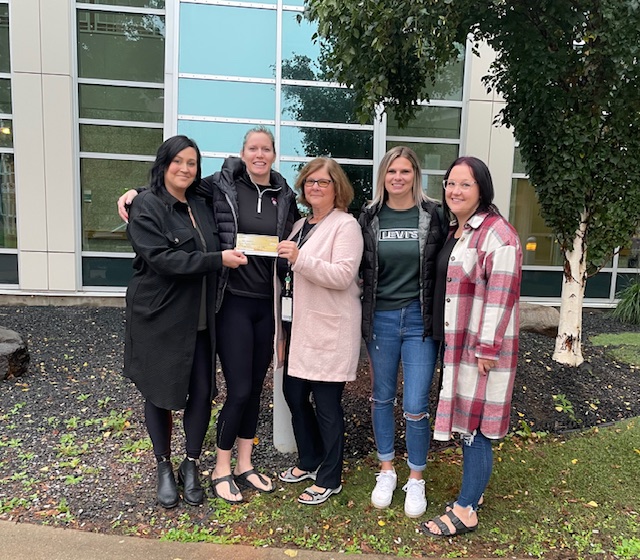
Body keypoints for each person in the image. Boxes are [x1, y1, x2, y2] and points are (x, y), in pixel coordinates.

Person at [119, 127, 299, 503]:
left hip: (233, 310)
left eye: (266, 148)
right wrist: (135, 192)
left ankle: (213, 464)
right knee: (182, 391)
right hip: (191, 310)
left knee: (217, 391)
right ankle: (187, 467)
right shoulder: (213, 188)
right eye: (253, 148)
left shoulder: (275, 195)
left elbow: (295, 233)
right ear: (243, 153)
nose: (185, 169)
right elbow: (164, 244)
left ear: (274, 153)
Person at [123, 135, 247, 508]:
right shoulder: (147, 205)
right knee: (159, 392)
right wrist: (217, 259)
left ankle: (190, 464)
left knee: (203, 393)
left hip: (200, 318)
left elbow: (232, 171)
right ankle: (163, 465)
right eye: (177, 161)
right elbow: (162, 260)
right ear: (164, 164)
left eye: (191, 163)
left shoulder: (200, 202)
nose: (185, 169)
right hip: (159, 316)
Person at [421, 156, 522, 537]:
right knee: (467, 422)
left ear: (482, 189)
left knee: (474, 428)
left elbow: (501, 296)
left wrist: (487, 349)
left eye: (465, 184)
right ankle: (471, 496)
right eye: (451, 183)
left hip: (479, 351)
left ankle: (466, 510)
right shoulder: (457, 231)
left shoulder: (498, 235)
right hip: (455, 345)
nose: (455, 190)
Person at [358, 146, 446, 518]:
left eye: (405, 171)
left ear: (415, 176)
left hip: (419, 321)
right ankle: (386, 470)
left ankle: (416, 477)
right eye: (392, 171)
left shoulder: (434, 214)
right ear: (383, 176)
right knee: (381, 398)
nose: (398, 177)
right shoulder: (369, 216)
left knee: (415, 405)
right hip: (381, 318)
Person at [275, 158, 363, 505]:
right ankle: (310, 460)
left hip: (329, 330)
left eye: (323, 182)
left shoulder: (346, 226)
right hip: (297, 328)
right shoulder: (300, 225)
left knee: (327, 405)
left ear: (337, 187)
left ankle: (330, 477)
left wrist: (300, 259)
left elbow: (342, 275)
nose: (314, 187)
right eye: (309, 181)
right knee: (294, 396)